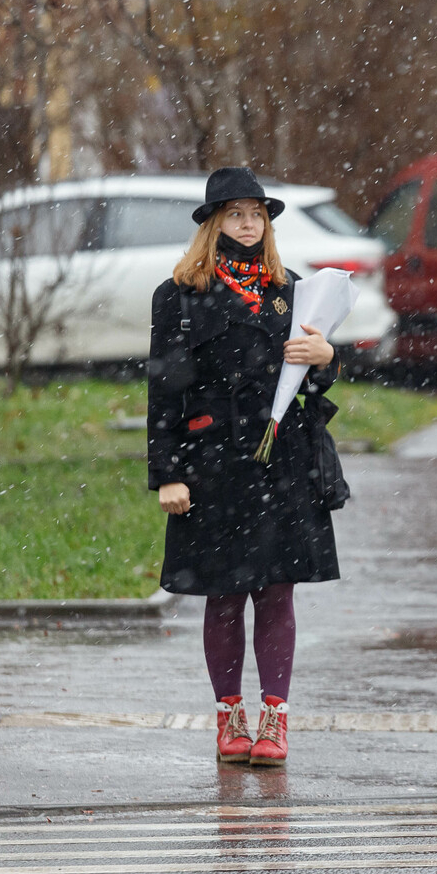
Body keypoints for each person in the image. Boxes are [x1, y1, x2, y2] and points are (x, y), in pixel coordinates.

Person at [148, 167, 345, 767]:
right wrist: (168, 473)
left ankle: (275, 721)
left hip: (281, 459)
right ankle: (230, 716)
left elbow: (314, 374)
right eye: (236, 214)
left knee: (277, 592)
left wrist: (326, 356)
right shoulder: (178, 295)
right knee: (225, 595)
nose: (249, 224)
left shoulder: (292, 291)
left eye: (256, 214)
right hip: (213, 464)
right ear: (212, 224)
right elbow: (164, 393)